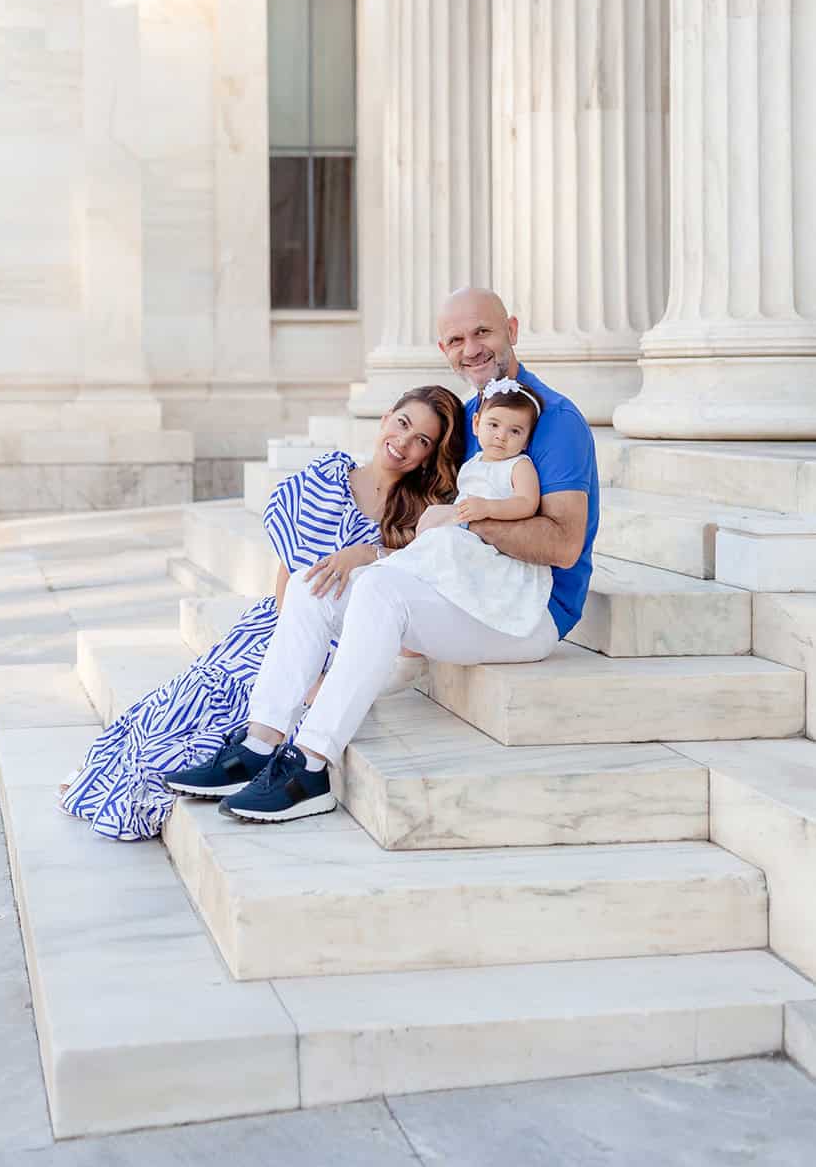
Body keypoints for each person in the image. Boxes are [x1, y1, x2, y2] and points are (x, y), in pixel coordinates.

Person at [172, 286, 599, 825]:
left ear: (512, 331)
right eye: (455, 339)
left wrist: (469, 517)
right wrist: (375, 546)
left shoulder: (554, 421)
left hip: (527, 614)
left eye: (483, 333)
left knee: (380, 588)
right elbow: (428, 523)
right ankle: (260, 743)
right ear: (443, 349)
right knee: (311, 583)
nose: (471, 348)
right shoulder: (468, 420)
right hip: (463, 591)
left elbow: (562, 545)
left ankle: (311, 764)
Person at [59, 385, 465, 839]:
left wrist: (366, 555)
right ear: (387, 416)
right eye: (403, 423)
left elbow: (406, 602)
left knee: (231, 712)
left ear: (430, 457)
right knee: (194, 695)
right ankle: (191, 760)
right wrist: (285, 639)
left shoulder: (420, 514)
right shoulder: (329, 476)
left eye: (422, 441)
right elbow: (291, 572)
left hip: (346, 643)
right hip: (286, 622)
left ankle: (252, 757)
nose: (404, 443)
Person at [388, 376, 551, 645]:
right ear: (476, 424)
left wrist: (488, 508)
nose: (501, 435)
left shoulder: (519, 465)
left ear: (526, 440)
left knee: (445, 542)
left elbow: (526, 502)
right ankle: (405, 578)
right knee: (435, 540)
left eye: (515, 431)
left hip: (494, 543)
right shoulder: (473, 463)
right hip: (466, 530)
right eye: (494, 424)